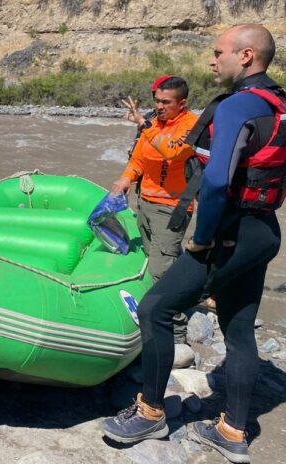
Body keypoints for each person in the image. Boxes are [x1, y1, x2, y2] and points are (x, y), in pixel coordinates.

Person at [103, 24, 283, 464]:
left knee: (154, 308)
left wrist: (201, 241)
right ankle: (231, 431)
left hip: (229, 232)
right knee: (239, 330)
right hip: (263, 230)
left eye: (218, 51)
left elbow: (219, 179)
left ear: (245, 57)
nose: (211, 59)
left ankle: (150, 412)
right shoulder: (279, 104)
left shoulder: (239, 104)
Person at [111, 76, 198, 343]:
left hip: (173, 207)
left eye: (166, 102)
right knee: (154, 261)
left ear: (182, 103)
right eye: (157, 100)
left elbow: (172, 152)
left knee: (161, 269)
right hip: (145, 203)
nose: (159, 106)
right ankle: (157, 312)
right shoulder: (152, 123)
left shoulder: (192, 125)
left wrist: (143, 124)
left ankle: (177, 332)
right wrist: (125, 179)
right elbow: (139, 159)